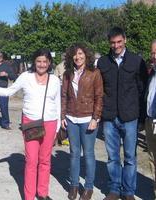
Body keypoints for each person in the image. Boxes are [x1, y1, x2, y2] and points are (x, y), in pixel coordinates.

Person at [0, 49, 61, 200]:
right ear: (34, 62)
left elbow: (58, 104)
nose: (42, 65)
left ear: (49, 63)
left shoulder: (55, 80)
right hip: (31, 123)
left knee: (45, 160)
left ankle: (42, 193)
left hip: (50, 123)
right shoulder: (26, 77)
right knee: (31, 161)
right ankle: (29, 196)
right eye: (39, 61)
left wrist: (57, 128)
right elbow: (9, 91)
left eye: (45, 61)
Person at [97, 27, 148, 200]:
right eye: (113, 42)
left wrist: (141, 118)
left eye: (119, 41)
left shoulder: (136, 61)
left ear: (125, 40)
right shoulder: (103, 63)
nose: (116, 45)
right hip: (110, 117)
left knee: (130, 157)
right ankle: (114, 189)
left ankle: (128, 191)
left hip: (130, 117)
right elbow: (99, 90)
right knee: (112, 157)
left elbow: (142, 91)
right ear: (109, 43)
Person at [61, 43, 103, 200]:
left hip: (87, 119)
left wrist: (95, 118)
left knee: (89, 154)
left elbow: (99, 97)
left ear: (86, 55)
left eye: (80, 54)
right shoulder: (68, 73)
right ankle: (73, 185)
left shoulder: (94, 73)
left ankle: (89, 187)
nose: (77, 57)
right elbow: (64, 96)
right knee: (74, 153)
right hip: (71, 119)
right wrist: (63, 116)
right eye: (75, 54)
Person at [145, 40, 156, 198]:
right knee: (153, 160)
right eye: (153, 53)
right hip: (150, 121)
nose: (154, 56)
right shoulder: (152, 72)